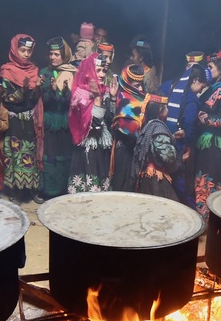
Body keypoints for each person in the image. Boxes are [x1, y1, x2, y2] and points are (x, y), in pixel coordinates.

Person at [192, 52, 221, 218]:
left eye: (210, 67)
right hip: (206, 145)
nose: (208, 70)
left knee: (209, 182)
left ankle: (208, 220)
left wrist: (203, 117)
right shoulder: (213, 89)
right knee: (202, 181)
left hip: (214, 146)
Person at [0, 34, 43, 203]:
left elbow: (33, 100)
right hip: (14, 120)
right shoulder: (7, 71)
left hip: (30, 120)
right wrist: (22, 91)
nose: (26, 54)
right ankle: (16, 191)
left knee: (30, 152)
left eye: (29, 51)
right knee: (16, 154)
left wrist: (37, 88)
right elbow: (7, 99)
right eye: (22, 50)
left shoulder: (34, 70)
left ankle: (29, 190)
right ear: (14, 50)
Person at [36, 37, 77, 203]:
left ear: (64, 56)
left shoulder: (73, 73)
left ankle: (61, 191)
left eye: (56, 54)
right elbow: (42, 101)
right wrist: (51, 91)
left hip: (65, 123)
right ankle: (47, 190)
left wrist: (66, 92)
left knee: (64, 157)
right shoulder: (44, 73)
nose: (52, 57)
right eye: (51, 54)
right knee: (48, 156)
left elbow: (75, 102)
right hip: (49, 121)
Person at [68, 53, 115, 193]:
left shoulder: (104, 91)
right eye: (97, 70)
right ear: (88, 71)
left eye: (104, 71)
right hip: (87, 148)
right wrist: (96, 98)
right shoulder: (80, 94)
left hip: (100, 147)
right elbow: (95, 123)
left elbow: (111, 118)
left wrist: (112, 98)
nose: (101, 74)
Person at [162, 54, 204, 208]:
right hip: (180, 145)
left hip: (167, 140)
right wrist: (188, 142)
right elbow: (190, 122)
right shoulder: (192, 99)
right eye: (201, 86)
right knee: (179, 180)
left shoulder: (172, 87)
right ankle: (191, 209)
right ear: (195, 80)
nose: (201, 90)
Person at [133, 95, 179, 200]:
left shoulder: (149, 125)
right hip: (156, 178)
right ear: (160, 111)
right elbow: (168, 157)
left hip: (146, 175)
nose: (168, 110)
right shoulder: (159, 128)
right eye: (166, 107)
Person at [111, 64, 147, 192]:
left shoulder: (143, 101)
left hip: (137, 152)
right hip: (125, 153)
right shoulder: (121, 100)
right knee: (123, 186)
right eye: (136, 86)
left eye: (141, 84)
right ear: (127, 84)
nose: (141, 88)